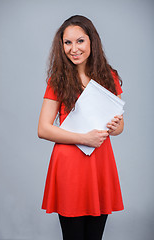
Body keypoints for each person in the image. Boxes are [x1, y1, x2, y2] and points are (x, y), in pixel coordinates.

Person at [38, 15, 124, 240]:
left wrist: (115, 126)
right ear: (61, 45)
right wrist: (84, 138)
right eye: (67, 42)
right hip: (70, 165)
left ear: (91, 42)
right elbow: (44, 129)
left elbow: (120, 126)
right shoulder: (57, 80)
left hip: (100, 163)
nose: (73, 48)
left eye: (80, 41)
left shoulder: (108, 76)